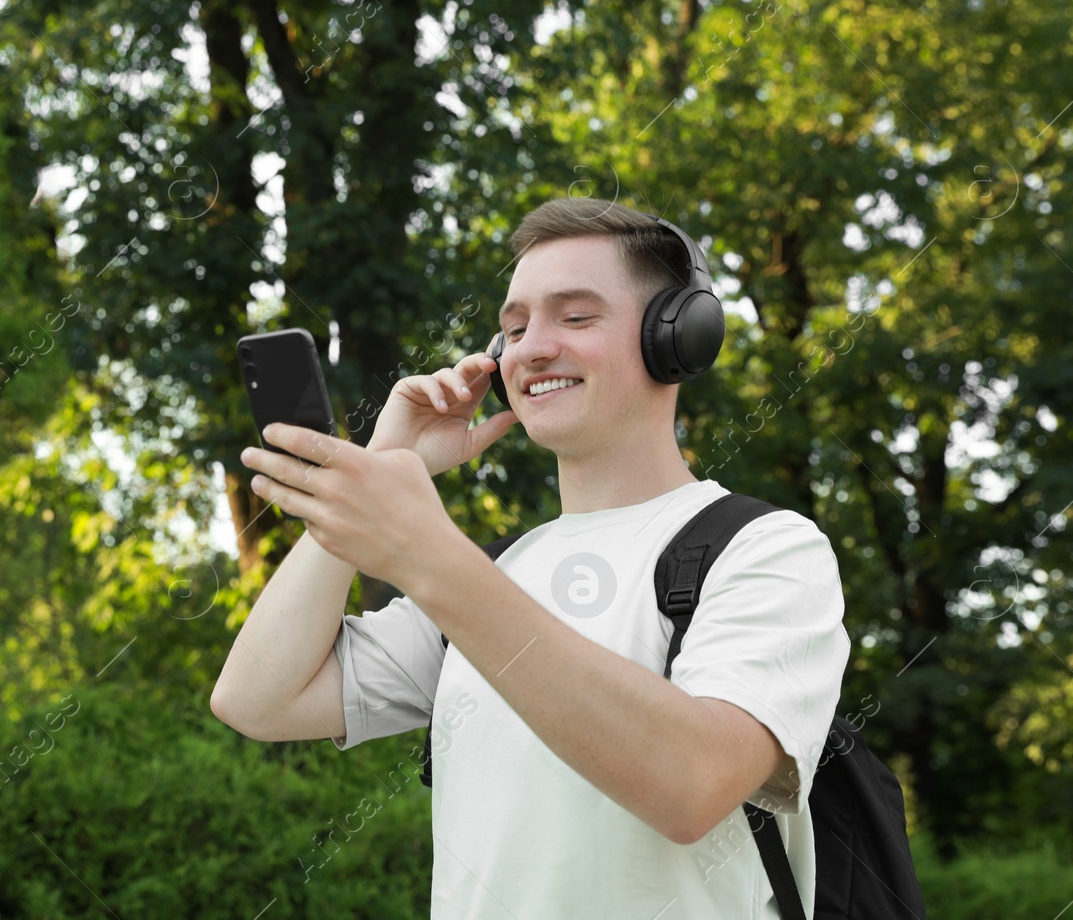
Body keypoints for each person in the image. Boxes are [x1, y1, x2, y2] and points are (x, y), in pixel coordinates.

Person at [213, 196, 849, 918]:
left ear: (679, 335)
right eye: (512, 327)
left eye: (575, 317)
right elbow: (257, 696)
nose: (529, 347)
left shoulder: (767, 548)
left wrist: (429, 554)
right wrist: (384, 462)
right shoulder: (494, 573)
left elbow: (692, 784)